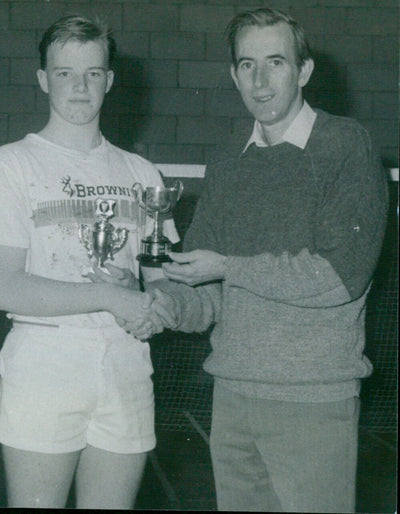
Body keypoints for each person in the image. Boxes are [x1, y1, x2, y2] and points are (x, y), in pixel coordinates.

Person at [149, 8, 388, 513]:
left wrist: (227, 267)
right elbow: (204, 288)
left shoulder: (347, 144)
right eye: (247, 65)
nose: (260, 81)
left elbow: (339, 277)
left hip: (312, 403)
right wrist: (159, 304)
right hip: (231, 400)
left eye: (275, 62)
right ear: (233, 73)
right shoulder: (227, 160)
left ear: (303, 70)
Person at [0, 14, 179, 509]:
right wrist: (109, 296)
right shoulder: (10, 164)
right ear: (43, 80)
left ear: (109, 80)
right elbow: (2, 286)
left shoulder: (140, 172)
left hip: (126, 364)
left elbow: (167, 286)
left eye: (92, 73)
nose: (80, 86)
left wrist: (153, 306)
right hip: (45, 363)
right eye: (65, 73)